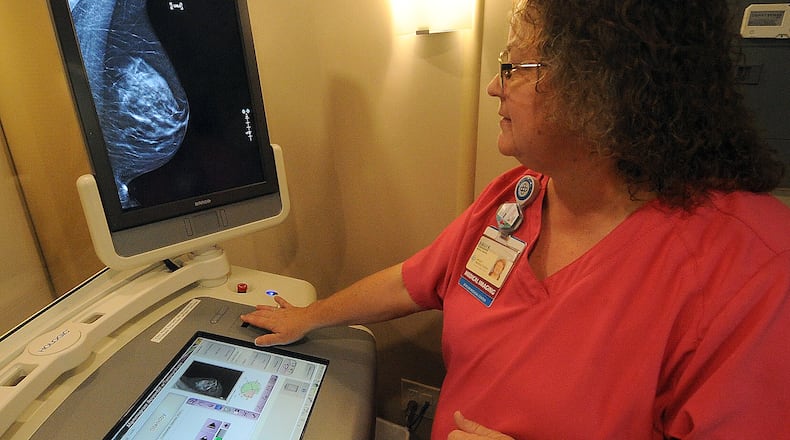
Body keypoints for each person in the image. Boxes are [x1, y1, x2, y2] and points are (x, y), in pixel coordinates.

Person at [241, 0, 790, 438]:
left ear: (599, 85)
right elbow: (416, 279)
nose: (493, 86)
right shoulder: (517, 199)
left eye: (515, 67)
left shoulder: (753, 267)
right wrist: (311, 316)